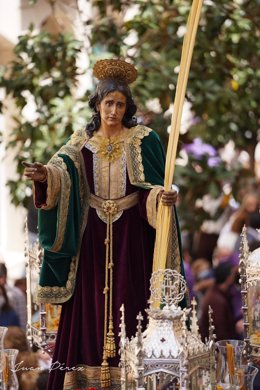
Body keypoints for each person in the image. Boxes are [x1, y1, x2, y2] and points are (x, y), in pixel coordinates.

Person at [24, 58, 182, 390]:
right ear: (97, 104)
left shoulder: (143, 139)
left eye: (120, 104)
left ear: (128, 107)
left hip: (131, 240)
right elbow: (60, 171)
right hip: (92, 240)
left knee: (133, 302)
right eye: (107, 102)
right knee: (88, 308)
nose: (113, 109)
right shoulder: (82, 140)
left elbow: (152, 188)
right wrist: (43, 176)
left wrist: (161, 199)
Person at [0, 262, 27, 329]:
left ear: (3, 277)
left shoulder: (17, 294)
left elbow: (23, 322)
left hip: (12, 333)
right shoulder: (17, 293)